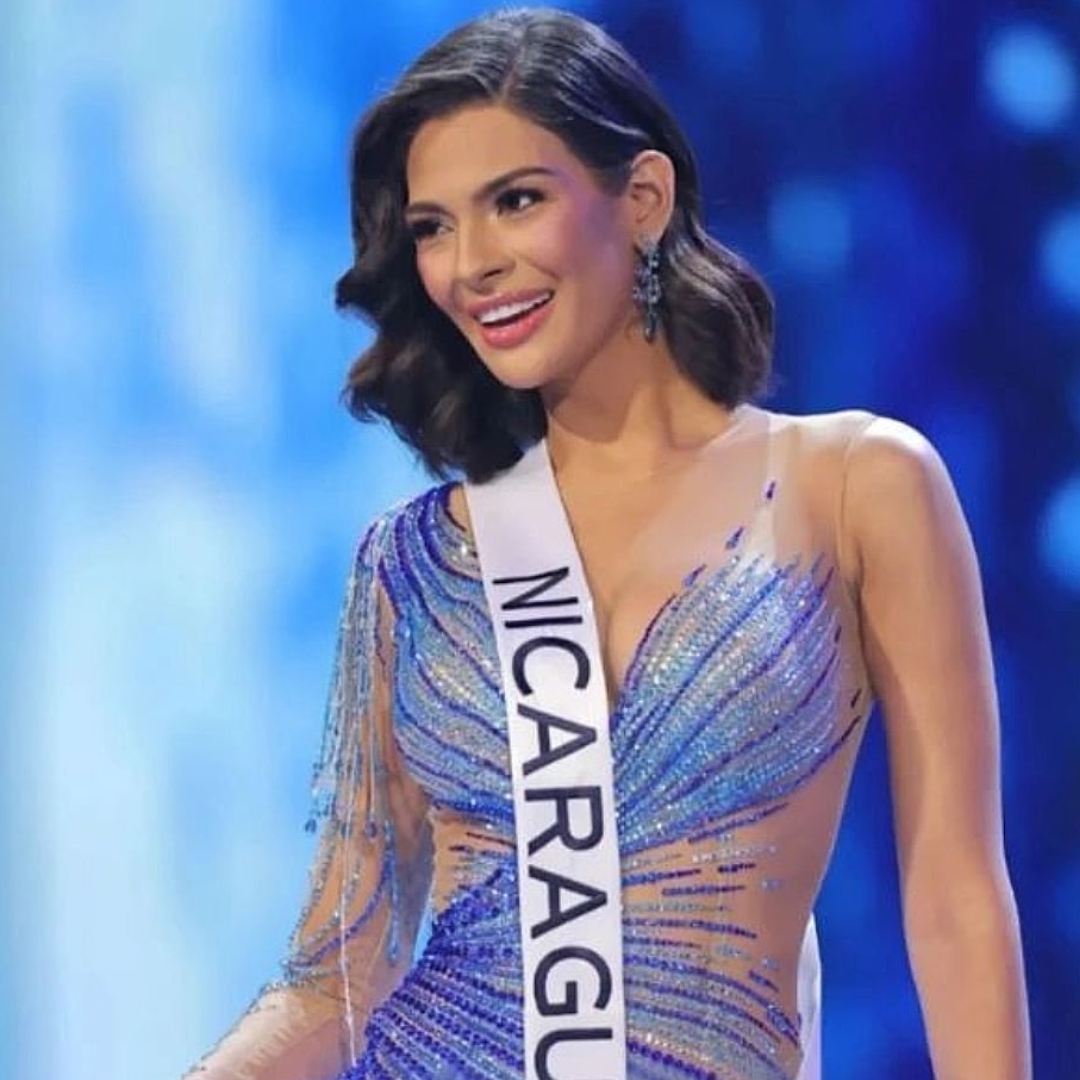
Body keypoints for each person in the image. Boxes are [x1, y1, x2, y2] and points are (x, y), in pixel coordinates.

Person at [183, 7, 1030, 1079]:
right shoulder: (414, 566)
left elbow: (954, 897)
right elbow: (339, 972)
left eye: (516, 201)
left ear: (642, 199)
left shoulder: (860, 483)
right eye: (434, 226)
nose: (470, 263)